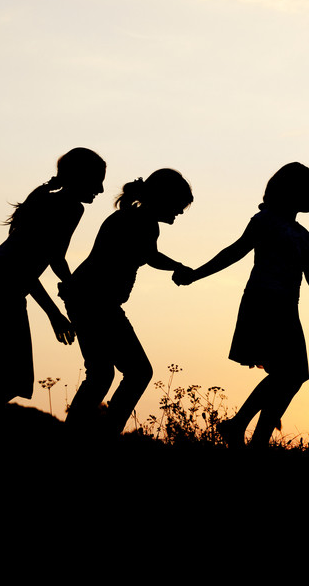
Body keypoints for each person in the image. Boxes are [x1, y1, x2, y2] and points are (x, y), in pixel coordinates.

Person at [176, 162, 309, 449]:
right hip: (263, 303)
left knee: (292, 376)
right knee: (289, 374)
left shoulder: (303, 235)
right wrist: (195, 274)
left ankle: (246, 430)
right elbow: (235, 252)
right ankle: (244, 429)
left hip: (288, 308)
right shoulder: (265, 221)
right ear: (292, 192)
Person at [0, 148, 106, 407]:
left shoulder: (72, 208)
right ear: (79, 177)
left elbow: (56, 258)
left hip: (2, 285)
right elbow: (25, 271)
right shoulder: (55, 207)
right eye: (97, 180)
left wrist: (74, 287)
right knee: (4, 380)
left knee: (5, 381)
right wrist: (55, 315)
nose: (100, 189)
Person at [62, 169, 195, 434]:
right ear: (164, 198)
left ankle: (78, 435)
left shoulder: (139, 219)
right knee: (136, 372)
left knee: (101, 375)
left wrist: (177, 267)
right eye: (178, 205)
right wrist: (179, 266)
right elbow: (148, 255)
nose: (179, 213)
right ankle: (102, 434)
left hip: (91, 300)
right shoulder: (136, 220)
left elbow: (149, 254)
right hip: (95, 302)